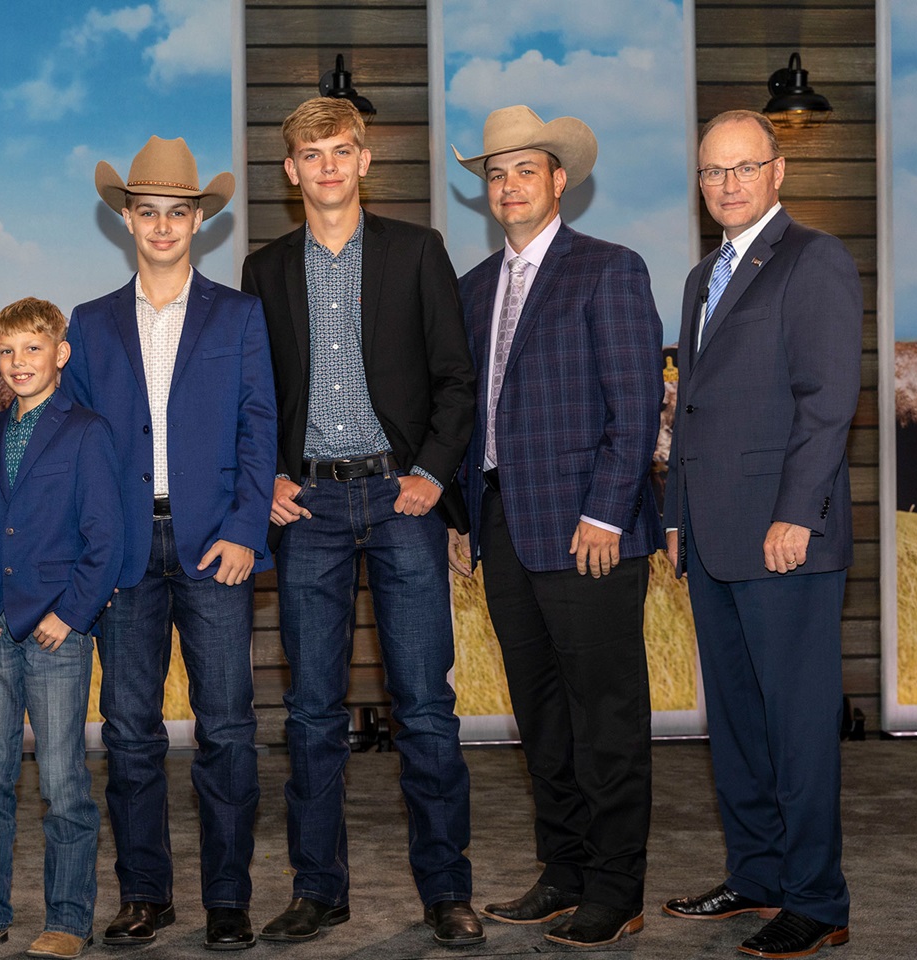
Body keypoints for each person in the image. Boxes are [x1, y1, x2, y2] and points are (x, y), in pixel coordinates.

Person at [239, 97, 480, 948]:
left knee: (425, 707)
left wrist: (430, 475)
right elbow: (255, 395)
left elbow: (457, 380)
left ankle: (448, 892)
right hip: (307, 509)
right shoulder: (263, 270)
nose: (329, 165)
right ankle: (318, 891)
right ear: (292, 170)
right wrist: (262, 470)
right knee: (310, 712)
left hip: (401, 499)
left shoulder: (418, 253)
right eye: (313, 153)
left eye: (343, 150)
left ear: (366, 160)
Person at [449, 105, 663, 949]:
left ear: (559, 180)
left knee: (606, 715)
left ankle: (617, 887)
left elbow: (636, 400)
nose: (508, 186)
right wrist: (465, 519)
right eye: (496, 175)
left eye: (525, 171)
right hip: (503, 528)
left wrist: (608, 508)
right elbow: (471, 416)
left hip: (588, 532)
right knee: (541, 717)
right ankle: (565, 869)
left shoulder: (609, 270)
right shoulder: (472, 290)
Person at [61, 136, 277, 951]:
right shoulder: (90, 324)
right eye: (146, 211)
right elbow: (79, 451)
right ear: (125, 219)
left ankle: (228, 897)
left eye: (176, 212)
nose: (161, 226)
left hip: (214, 548)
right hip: (123, 556)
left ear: (199, 220)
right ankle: (145, 892)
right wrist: (95, 552)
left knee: (226, 729)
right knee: (128, 730)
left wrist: (245, 533)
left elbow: (261, 431)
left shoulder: (239, 315)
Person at [661, 110, 860, 960]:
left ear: (778, 172)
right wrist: (673, 514)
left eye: (744, 168)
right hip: (709, 536)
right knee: (738, 721)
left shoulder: (815, 260)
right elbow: (695, 404)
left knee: (798, 726)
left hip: (784, 539)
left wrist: (794, 513)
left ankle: (817, 900)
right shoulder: (703, 274)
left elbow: (827, 401)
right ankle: (757, 874)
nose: (729, 184)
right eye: (713, 172)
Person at [0, 298, 124, 960]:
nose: (17, 362)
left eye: (31, 348)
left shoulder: (86, 431)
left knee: (62, 782)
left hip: (57, 634)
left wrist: (69, 613)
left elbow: (104, 540)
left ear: (61, 354)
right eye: (5, 349)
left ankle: (68, 918)